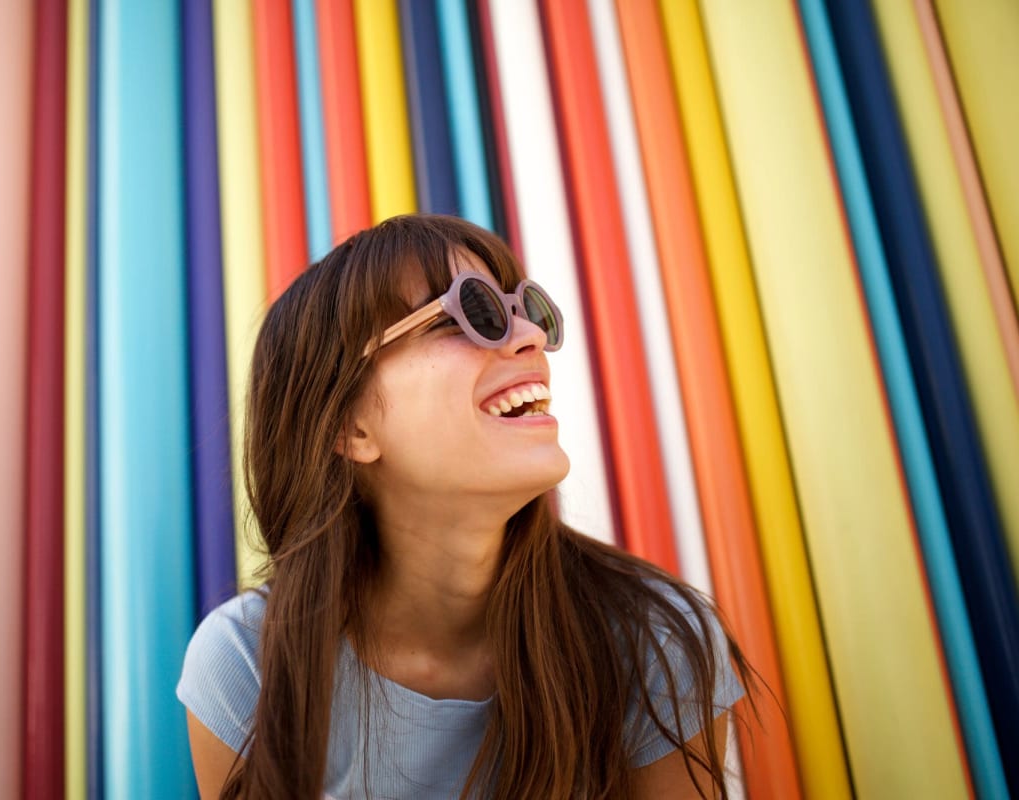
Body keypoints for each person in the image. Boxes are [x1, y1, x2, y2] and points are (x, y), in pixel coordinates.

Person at [178, 215, 750, 799]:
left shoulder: (652, 639)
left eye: (526, 310)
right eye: (467, 316)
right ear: (350, 426)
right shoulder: (246, 667)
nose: (528, 336)